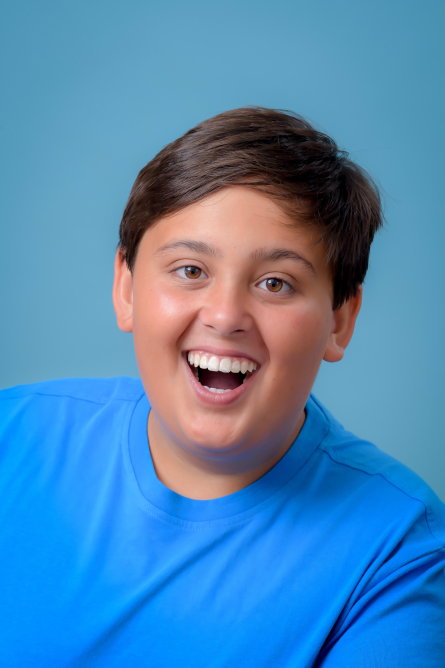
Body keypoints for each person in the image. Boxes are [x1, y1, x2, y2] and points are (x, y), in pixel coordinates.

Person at [0, 107, 444, 667]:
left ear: (340, 319)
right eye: (190, 270)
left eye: (275, 283)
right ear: (126, 287)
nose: (226, 314)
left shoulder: (401, 551)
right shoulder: (13, 437)